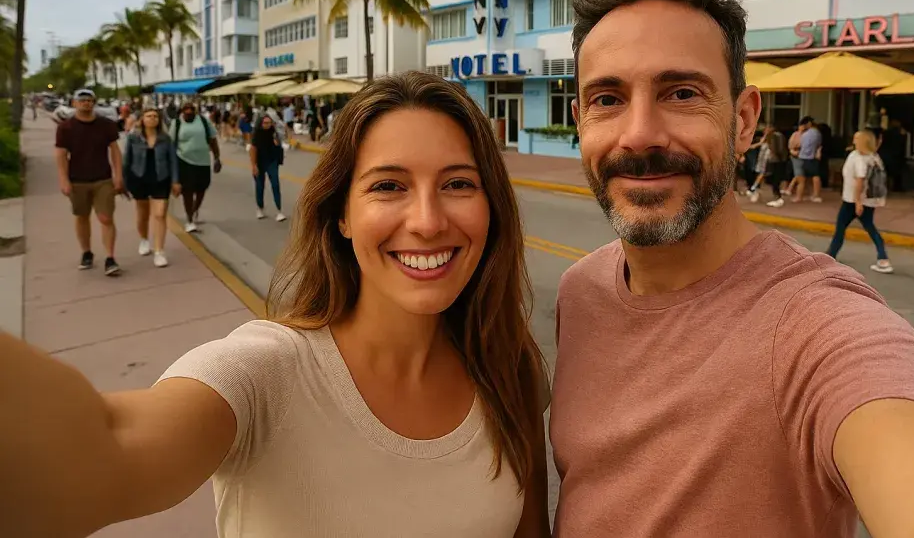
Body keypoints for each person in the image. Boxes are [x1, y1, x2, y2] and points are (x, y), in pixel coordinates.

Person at [549, 0, 914, 537]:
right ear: (580, 119)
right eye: (608, 99)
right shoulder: (580, 291)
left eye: (682, 93)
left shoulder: (815, 323)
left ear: (745, 121)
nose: (639, 135)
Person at [0, 72, 551, 538]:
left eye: (458, 183)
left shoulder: (509, 367)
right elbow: (103, 449)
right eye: (388, 187)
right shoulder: (263, 374)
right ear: (341, 215)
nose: (428, 221)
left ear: (491, 207)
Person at [53, 89, 123, 276]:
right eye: (82, 100)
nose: (86, 103)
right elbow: (60, 155)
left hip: (103, 179)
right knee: (82, 216)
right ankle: (86, 252)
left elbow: (115, 151)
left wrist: (118, 175)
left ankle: (110, 258)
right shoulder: (66, 128)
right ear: (74, 103)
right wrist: (64, 180)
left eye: (90, 100)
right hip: (77, 180)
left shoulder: (106, 125)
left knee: (106, 218)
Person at [827, 129, 893, 274]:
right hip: (869, 200)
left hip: (853, 200)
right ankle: (883, 258)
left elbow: (860, 182)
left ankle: (830, 256)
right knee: (869, 227)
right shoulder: (874, 157)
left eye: (857, 138)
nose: (853, 140)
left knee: (840, 228)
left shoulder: (858, 158)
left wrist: (858, 202)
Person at [122, 108, 178, 268]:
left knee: (160, 215)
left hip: (161, 178)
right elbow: (127, 160)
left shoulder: (165, 139)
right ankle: (144, 239)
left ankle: (159, 251)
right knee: (142, 214)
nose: (152, 119)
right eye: (149, 116)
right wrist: (123, 182)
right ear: (142, 119)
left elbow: (173, 160)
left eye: (155, 116)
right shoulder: (133, 138)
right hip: (139, 177)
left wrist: (175, 181)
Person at [172, 101, 221, 233]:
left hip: (203, 162)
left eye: (191, 109)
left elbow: (212, 139)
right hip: (183, 161)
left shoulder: (204, 122)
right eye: (185, 109)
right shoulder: (176, 123)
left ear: (195, 110)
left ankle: (194, 210)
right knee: (187, 191)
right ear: (181, 111)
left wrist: (217, 157)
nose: (188, 112)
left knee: (202, 188)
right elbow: (172, 144)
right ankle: (189, 220)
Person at [250, 115, 287, 222]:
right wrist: (254, 166)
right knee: (260, 186)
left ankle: (279, 211)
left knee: (275, 184)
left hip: (272, 162)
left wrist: (277, 143)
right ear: (261, 124)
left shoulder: (274, 133)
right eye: (265, 123)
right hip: (260, 162)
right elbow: (253, 149)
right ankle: (260, 208)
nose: (267, 125)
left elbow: (282, 142)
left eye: (269, 123)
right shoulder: (257, 134)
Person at [794, 116, 823, 202]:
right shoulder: (817, 133)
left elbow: (801, 145)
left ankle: (811, 195)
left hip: (806, 156)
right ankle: (814, 194)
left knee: (811, 176)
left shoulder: (806, 134)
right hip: (811, 156)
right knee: (812, 176)